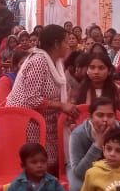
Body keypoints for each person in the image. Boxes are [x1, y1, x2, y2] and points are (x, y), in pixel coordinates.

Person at [6, 25, 79, 170]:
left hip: (45, 120)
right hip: (28, 122)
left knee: (53, 162)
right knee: (38, 165)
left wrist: (67, 105)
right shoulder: (38, 61)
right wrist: (61, 106)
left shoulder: (56, 62)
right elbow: (32, 99)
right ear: (56, 44)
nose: (68, 46)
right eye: (65, 42)